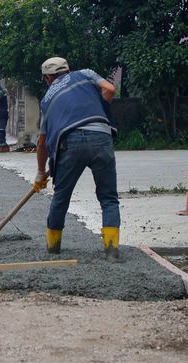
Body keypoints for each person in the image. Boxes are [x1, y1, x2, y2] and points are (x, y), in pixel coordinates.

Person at [34, 57, 120, 262]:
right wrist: (98, 107)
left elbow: (42, 142)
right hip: (101, 136)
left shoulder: (47, 101)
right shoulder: (85, 74)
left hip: (69, 143)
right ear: (67, 70)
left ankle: (53, 249)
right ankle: (111, 252)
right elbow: (110, 90)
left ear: (47, 78)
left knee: (61, 197)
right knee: (108, 198)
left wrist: (40, 174)